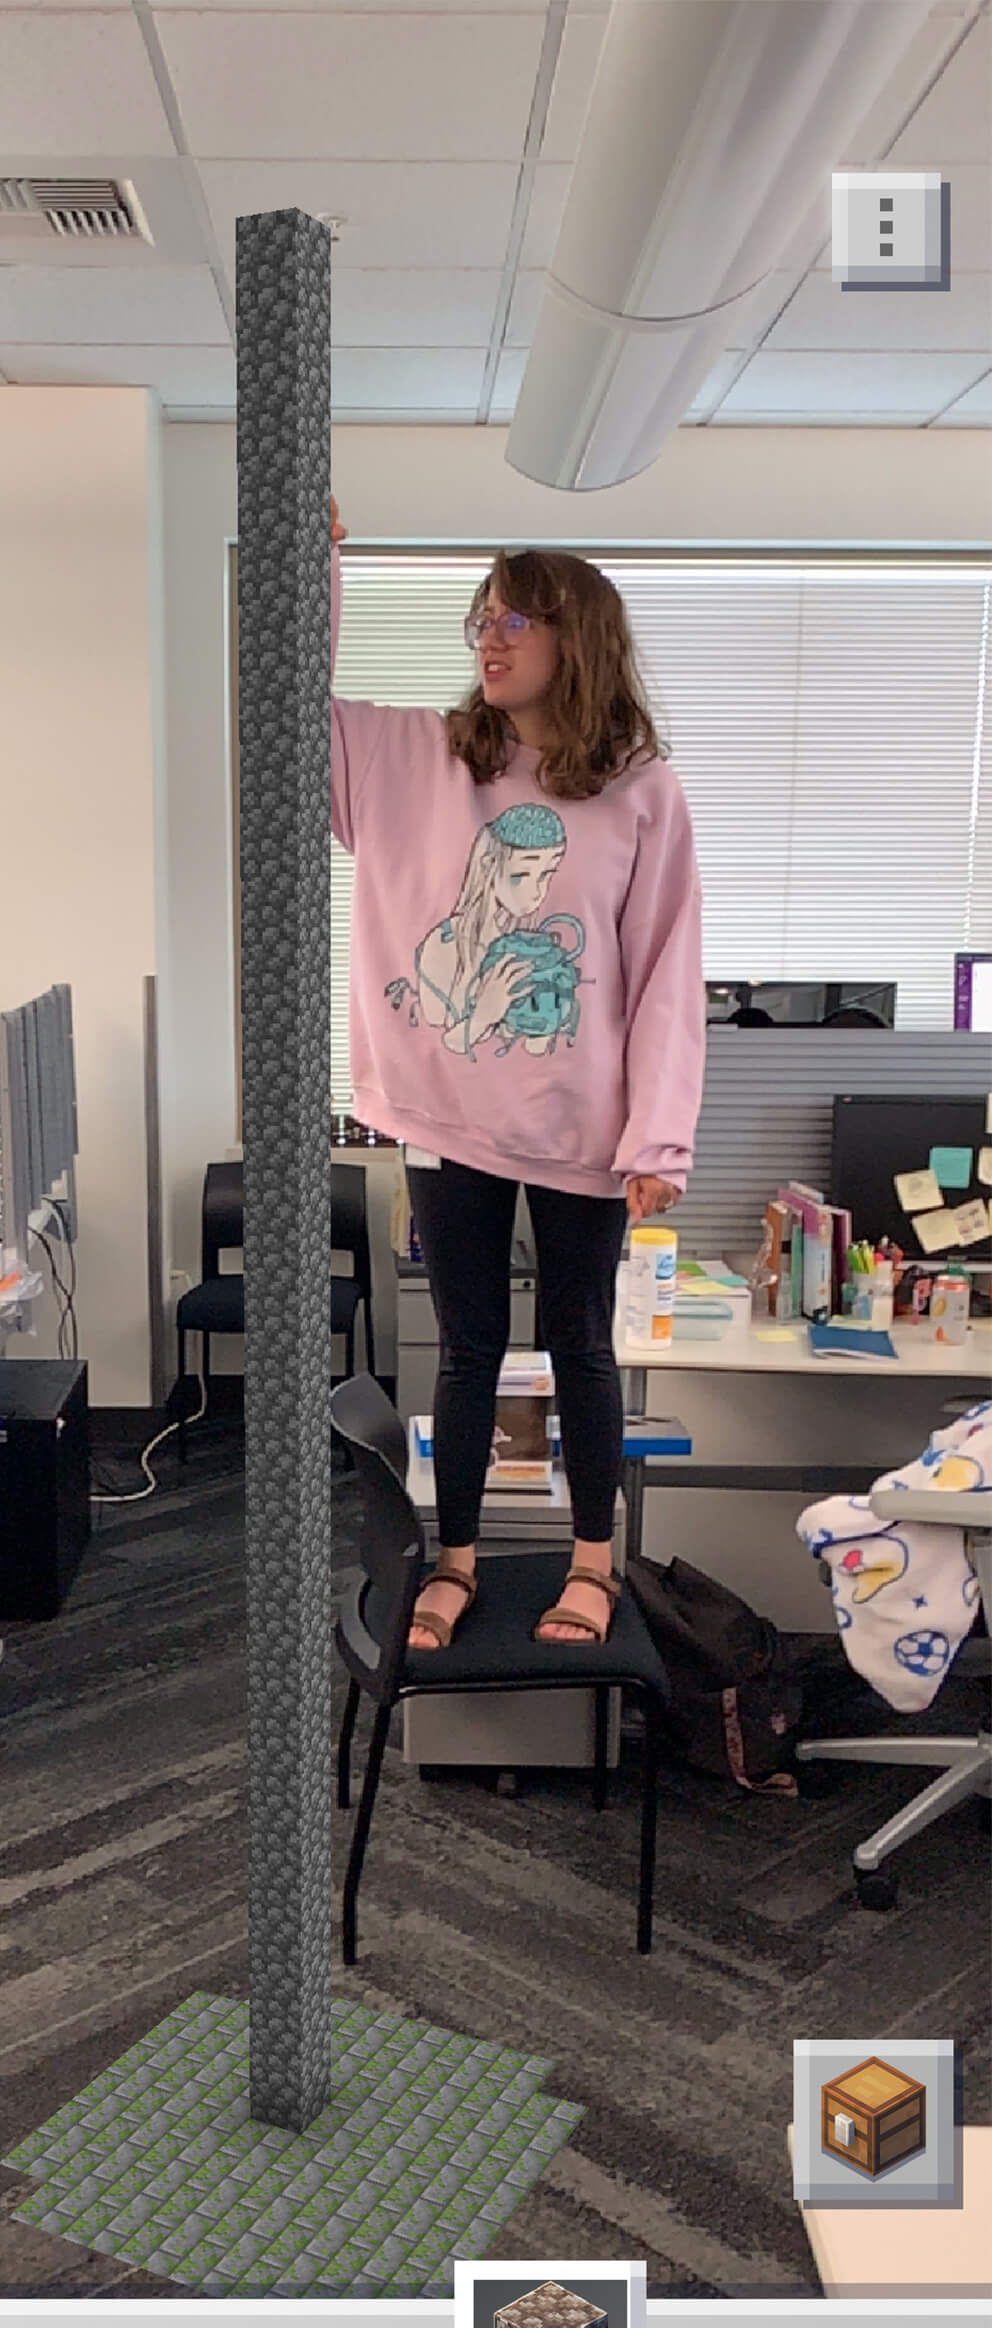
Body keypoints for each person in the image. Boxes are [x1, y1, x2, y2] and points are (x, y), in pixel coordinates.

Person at [330, 495, 706, 1649]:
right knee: (469, 1344)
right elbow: (289, 711)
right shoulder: (423, 757)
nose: (489, 640)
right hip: (448, 1116)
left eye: (516, 620)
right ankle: (457, 1556)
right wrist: (317, 560)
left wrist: (659, 1141)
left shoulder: (638, 789)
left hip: (585, 1131)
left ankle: (593, 1560)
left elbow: (665, 974)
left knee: (582, 1344)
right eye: (480, 620)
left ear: (575, 637)